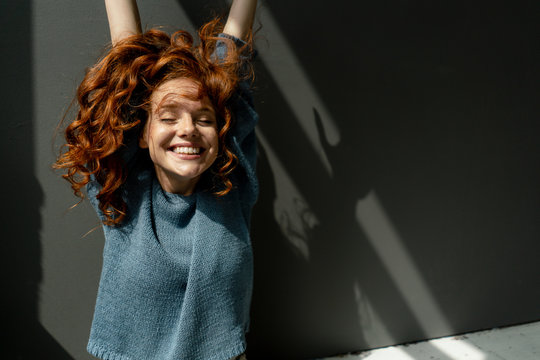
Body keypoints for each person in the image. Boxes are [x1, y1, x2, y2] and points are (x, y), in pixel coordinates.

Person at [54, 0, 258, 359]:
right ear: (144, 134)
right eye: (168, 117)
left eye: (204, 119)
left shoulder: (233, 187)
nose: (188, 130)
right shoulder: (123, 191)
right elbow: (125, 60)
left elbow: (232, 61)